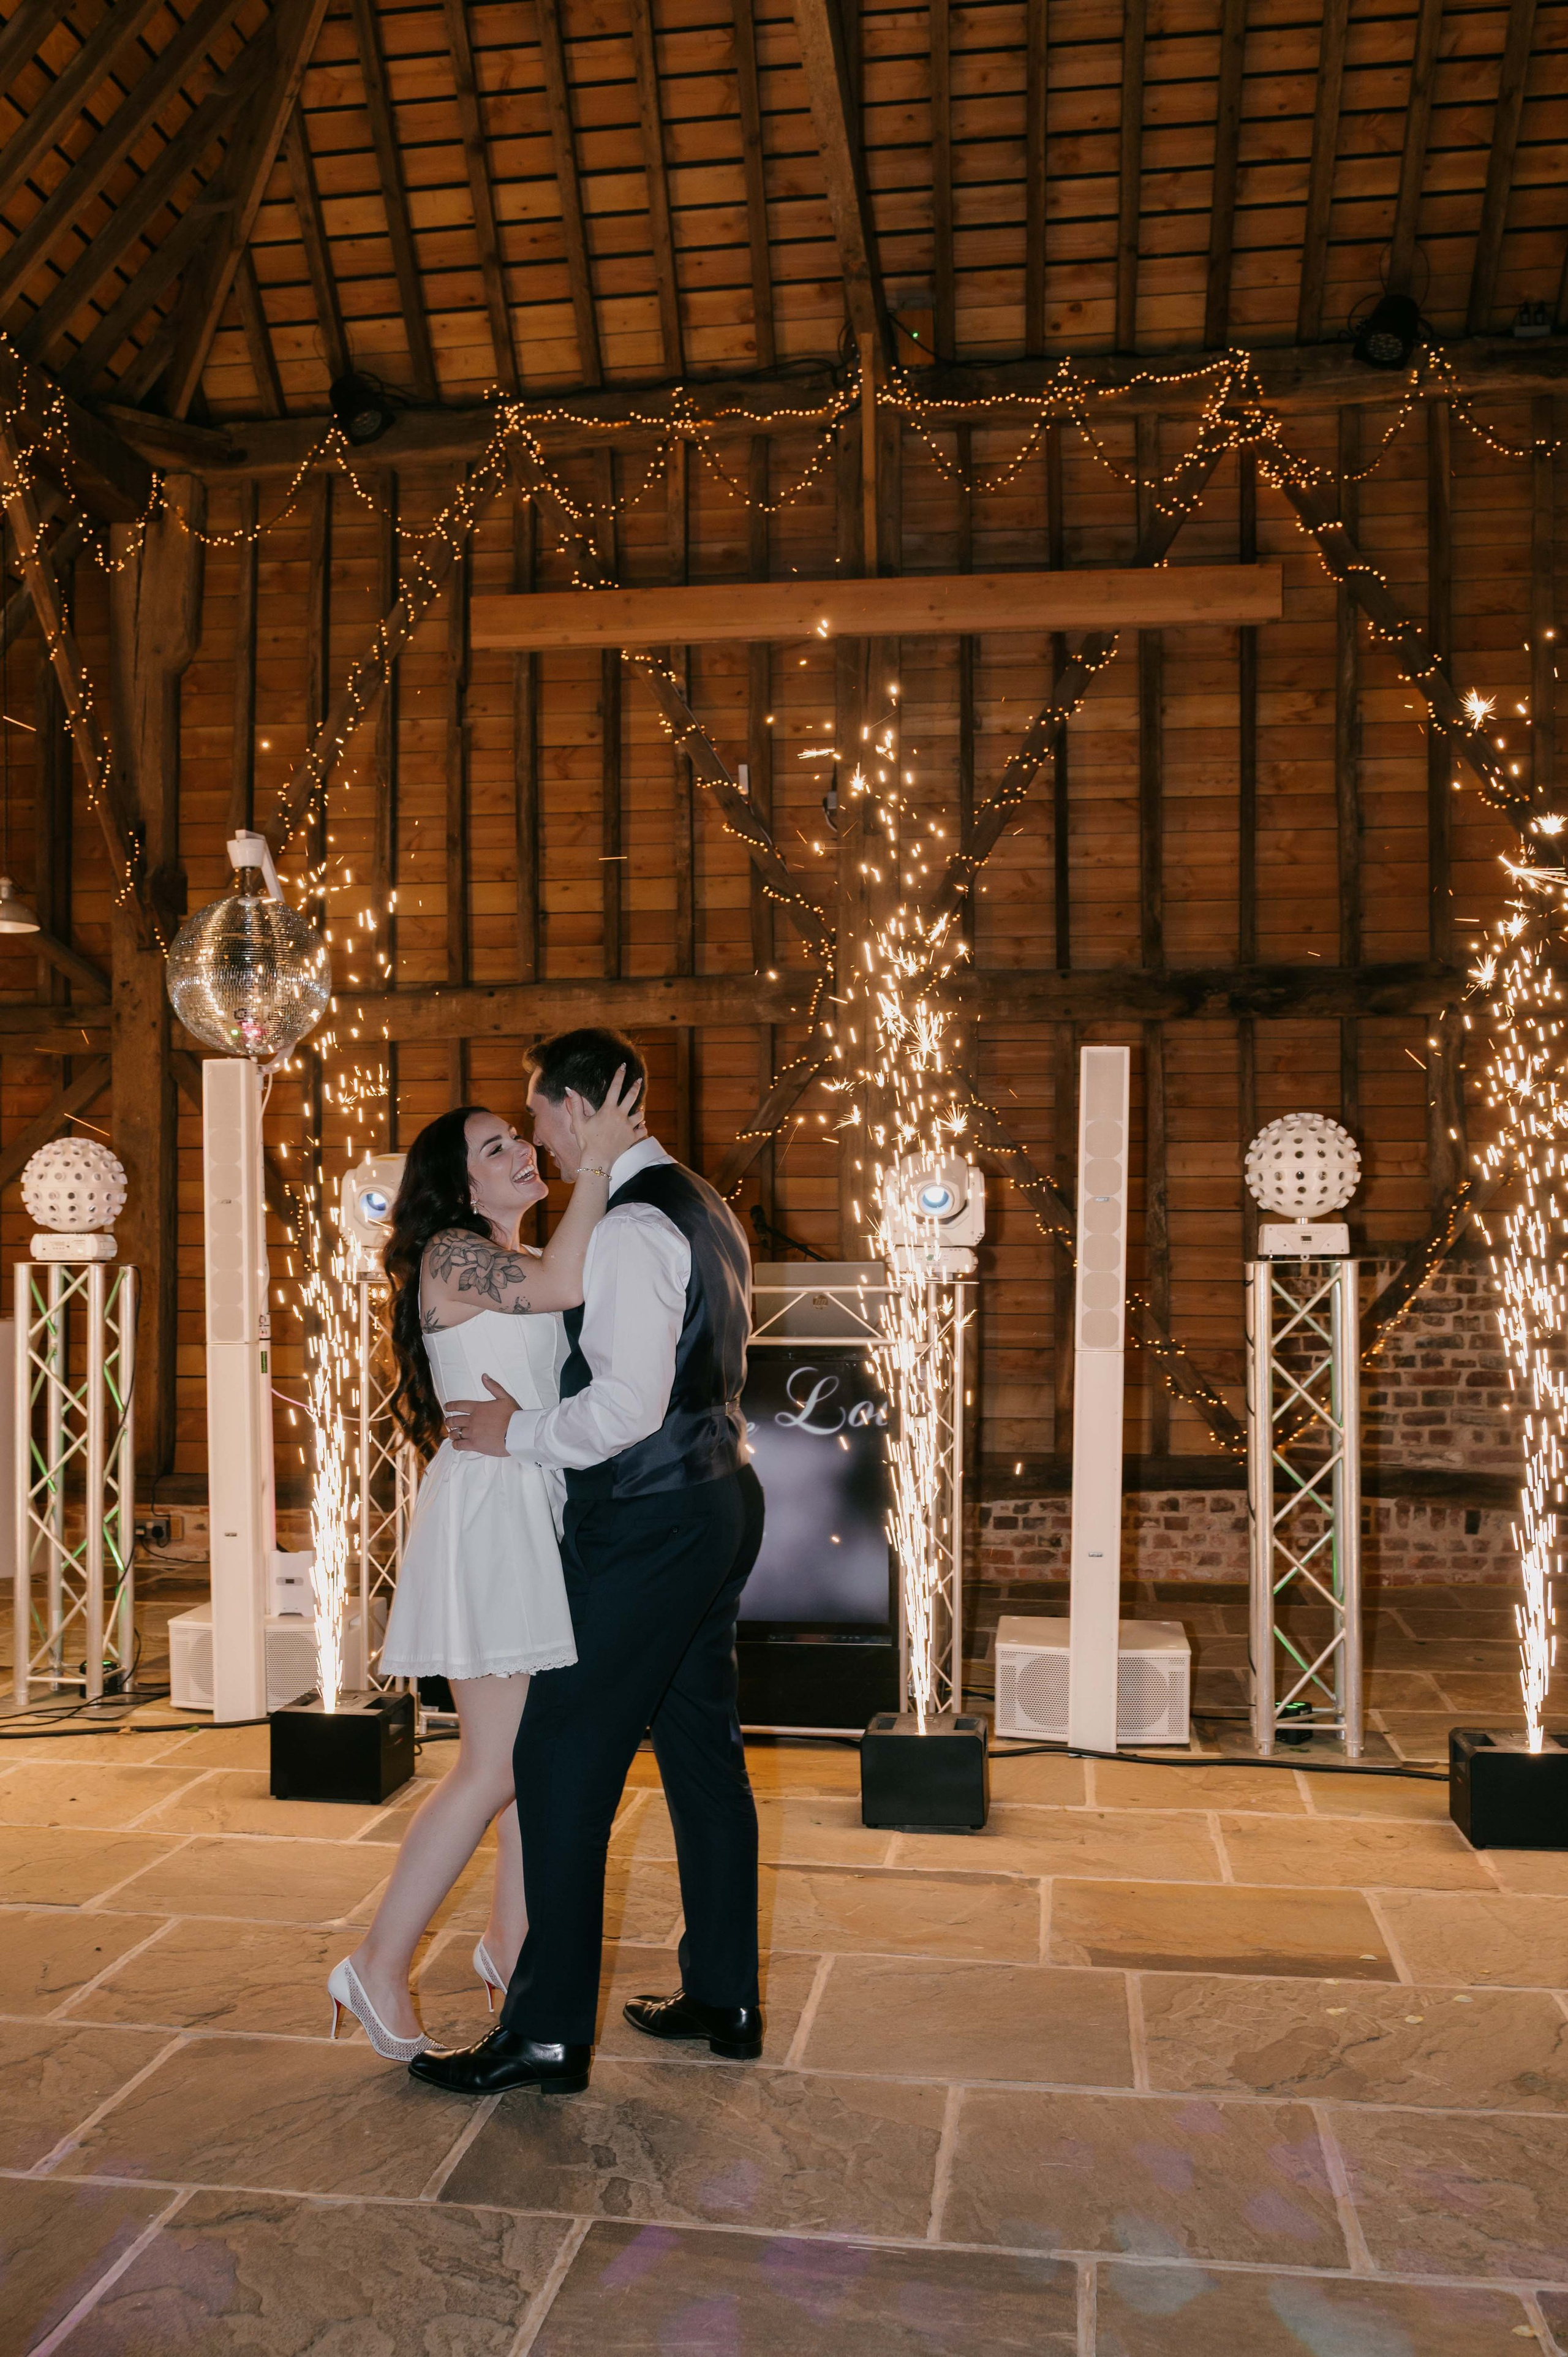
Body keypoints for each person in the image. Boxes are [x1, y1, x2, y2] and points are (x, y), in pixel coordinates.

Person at [409, 1026, 765, 2097]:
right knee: (702, 1756)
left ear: (575, 1105)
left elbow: (622, 1408)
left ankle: (547, 2034)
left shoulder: (628, 1227)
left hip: (651, 1519)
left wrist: (514, 1434)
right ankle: (723, 1997)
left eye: (536, 1115)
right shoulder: (700, 1202)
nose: (539, 1139)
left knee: (560, 1762)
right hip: (718, 1497)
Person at [326, 1072, 646, 2060]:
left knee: (534, 1755)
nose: (521, 1151)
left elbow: (565, 1288)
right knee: (496, 1761)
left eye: (518, 1135)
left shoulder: (511, 1254)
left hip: (530, 1496)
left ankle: (510, 1944)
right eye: (495, 1146)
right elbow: (565, 1289)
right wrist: (597, 1162)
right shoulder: (454, 1255)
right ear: (460, 1187)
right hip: (490, 1514)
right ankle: (376, 1962)